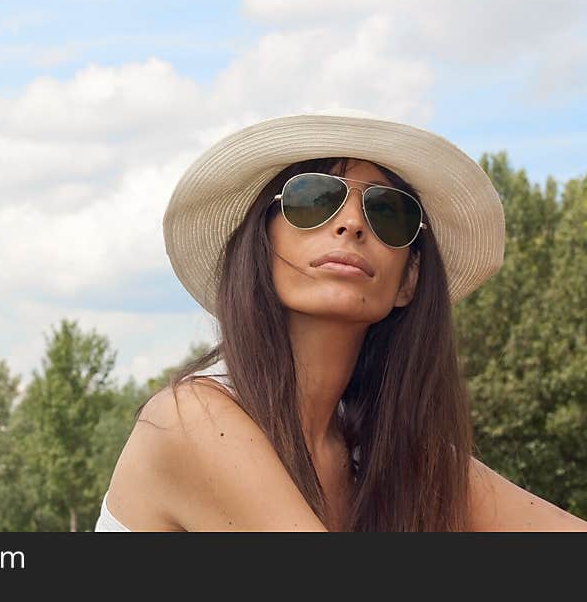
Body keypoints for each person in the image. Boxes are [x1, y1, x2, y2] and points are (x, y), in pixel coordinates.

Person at [94, 108, 587, 532]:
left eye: (388, 212)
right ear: (260, 246)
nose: (351, 223)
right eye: (313, 199)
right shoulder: (190, 419)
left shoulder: (387, 449)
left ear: (409, 280)